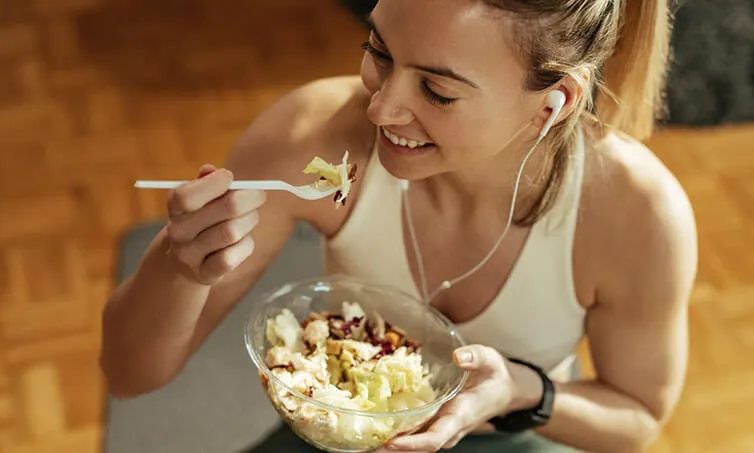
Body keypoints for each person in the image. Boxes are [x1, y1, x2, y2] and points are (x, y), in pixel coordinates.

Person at [99, 0, 697, 451]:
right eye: (379, 52)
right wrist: (179, 269)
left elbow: (637, 418)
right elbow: (128, 374)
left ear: (553, 102)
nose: (380, 108)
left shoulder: (636, 215)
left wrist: (521, 390)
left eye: (436, 90)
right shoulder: (313, 136)